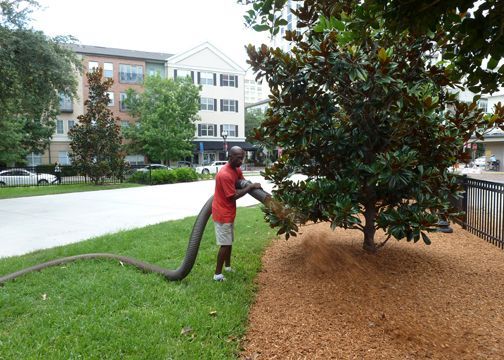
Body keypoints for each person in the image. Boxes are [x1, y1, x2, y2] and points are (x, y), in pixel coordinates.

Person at [212, 146, 262, 282]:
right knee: (225, 244)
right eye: (238, 158)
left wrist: (249, 185)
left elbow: (241, 182)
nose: (241, 161)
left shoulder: (236, 169)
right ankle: (217, 275)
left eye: (243, 157)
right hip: (222, 214)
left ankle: (227, 267)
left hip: (229, 212)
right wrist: (250, 187)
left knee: (229, 242)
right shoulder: (224, 174)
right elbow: (232, 196)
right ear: (230, 157)